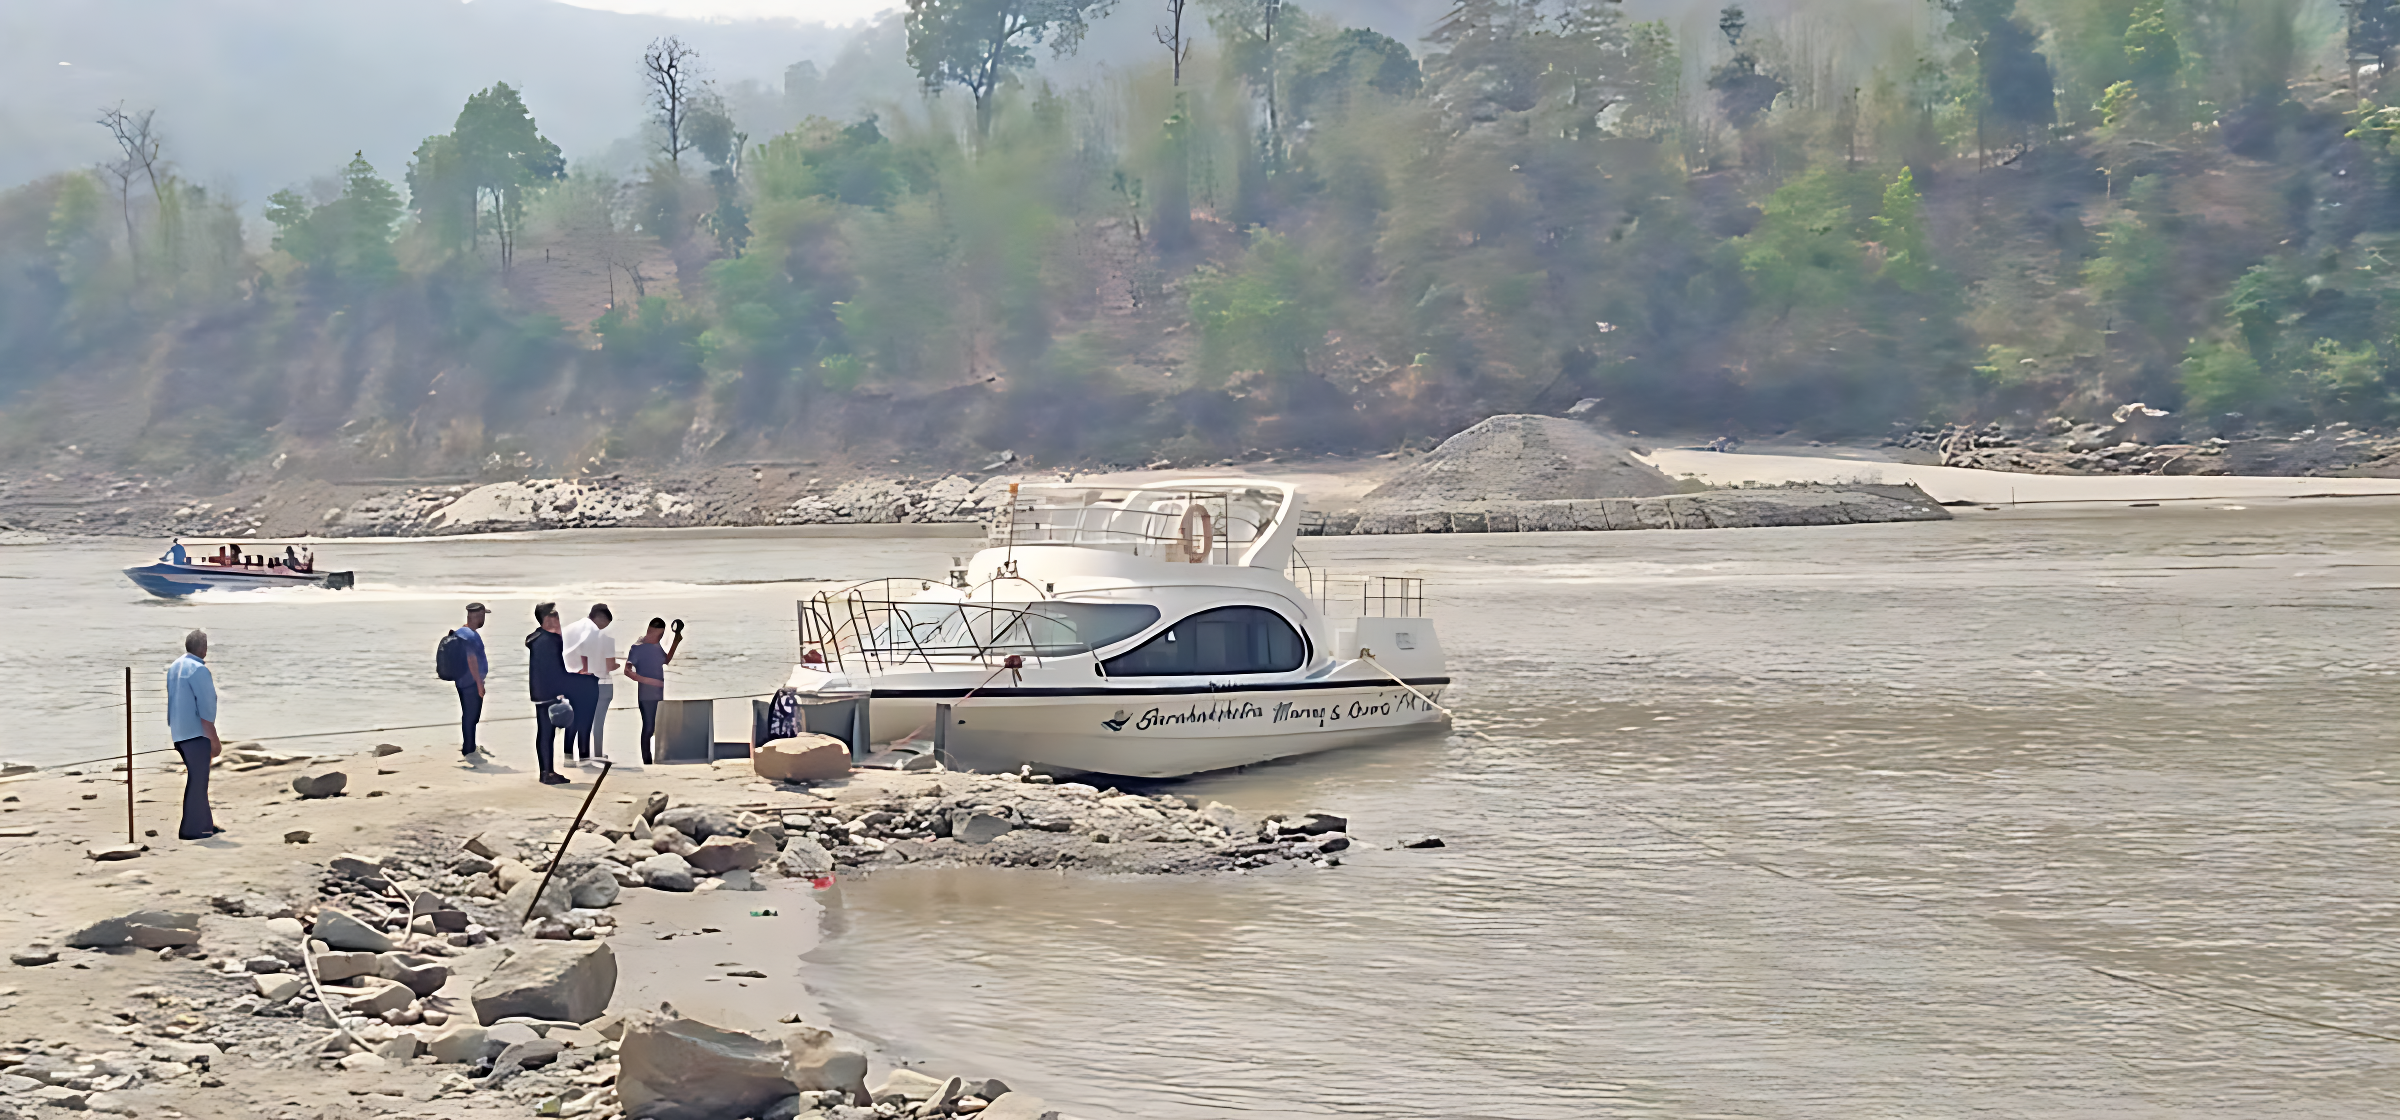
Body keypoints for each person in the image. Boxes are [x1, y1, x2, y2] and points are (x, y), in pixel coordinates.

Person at [165, 629, 223, 840]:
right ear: (203, 648)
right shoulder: (199, 669)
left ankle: (205, 824)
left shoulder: (174, 667)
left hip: (178, 732)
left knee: (197, 778)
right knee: (198, 781)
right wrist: (213, 737)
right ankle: (191, 829)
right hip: (196, 733)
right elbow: (206, 706)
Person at [559, 603, 619, 767]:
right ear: (600, 619)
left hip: (568, 677)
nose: (602, 628)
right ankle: (584, 758)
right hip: (587, 678)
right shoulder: (592, 630)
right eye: (604, 625)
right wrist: (586, 668)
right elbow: (585, 652)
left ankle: (568, 757)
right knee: (585, 720)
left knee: (573, 719)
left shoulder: (569, 628)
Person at [623, 617, 683, 766]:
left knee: (657, 728)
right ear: (650, 630)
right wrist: (649, 681)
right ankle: (647, 762)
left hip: (659, 695)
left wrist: (676, 642)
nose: (660, 638)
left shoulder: (657, 646)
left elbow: (665, 660)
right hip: (645, 696)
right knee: (648, 728)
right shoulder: (637, 647)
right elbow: (627, 671)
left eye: (662, 635)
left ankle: (656, 759)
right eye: (659, 635)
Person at [524, 603, 572, 785]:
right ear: (545, 619)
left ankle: (546, 771)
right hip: (549, 691)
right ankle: (547, 773)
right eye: (553, 616)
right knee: (546, 733)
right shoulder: (550, 640)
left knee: (545, 732)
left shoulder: (537, 637)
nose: (557, 620)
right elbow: (555, 669)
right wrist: (562, 691)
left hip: (539, 690)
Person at [453, 603, 489, 758]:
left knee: (468, 714)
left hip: (462, 680)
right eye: (483, 615)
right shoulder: (471, 636)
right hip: (470, 682)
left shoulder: (462, 631)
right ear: (478, 616)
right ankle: (469, 749)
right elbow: (471, 659)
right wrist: (479, 683)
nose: (484, 619)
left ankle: (469, 744)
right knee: (471, 716)